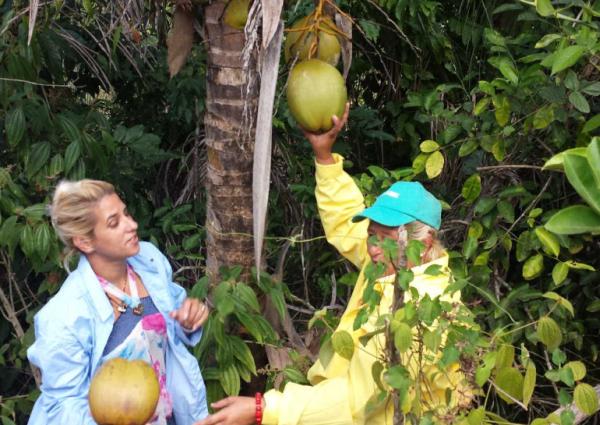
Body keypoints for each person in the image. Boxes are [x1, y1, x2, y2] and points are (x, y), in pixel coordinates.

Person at [195, 104, 472, 425]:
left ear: (424, 242)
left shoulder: (419, 308)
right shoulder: (395, 261)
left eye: (384, 237)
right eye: (371, 234)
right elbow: (345, 219)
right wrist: (325, 156)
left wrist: (264, 410)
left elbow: (359, 399)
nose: (372, 247)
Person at [27, 179, 210, 425]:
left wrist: (187, 321)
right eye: (114, 223)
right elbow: (64, 406)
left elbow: (173, 320)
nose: (132, 225)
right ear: (84, 241)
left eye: (127, 214)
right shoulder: (64, 316)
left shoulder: (150, 261)